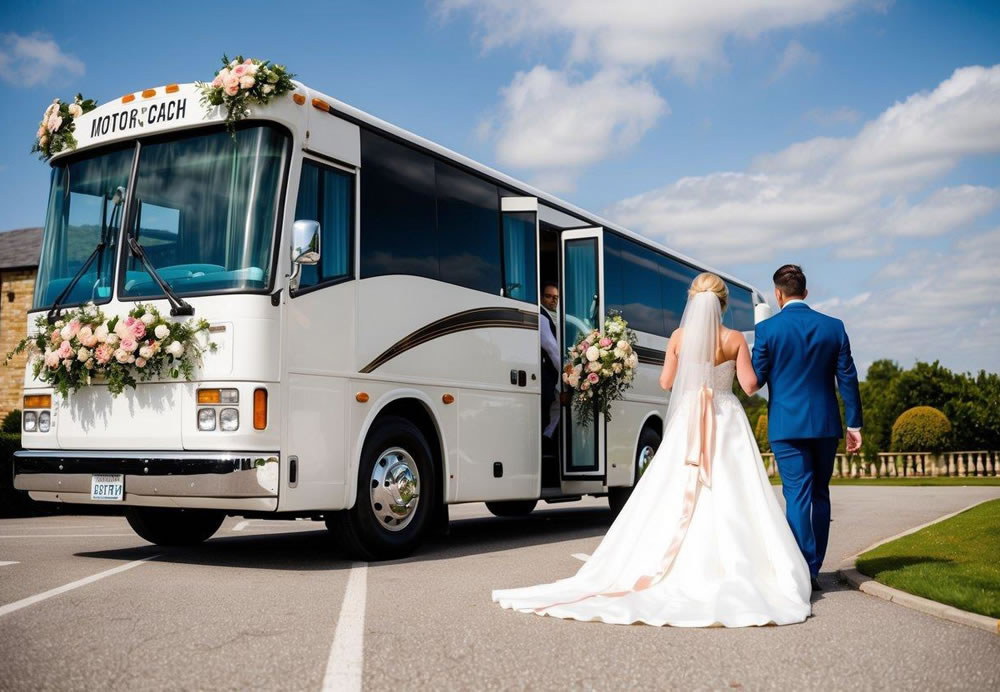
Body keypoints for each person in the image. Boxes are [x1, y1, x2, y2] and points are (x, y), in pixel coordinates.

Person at [492, 273, 812, 627]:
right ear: (722, 304)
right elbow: (750, 386)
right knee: (732, 488)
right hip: (724, 418)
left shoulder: (678, 337)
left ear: (692, 303)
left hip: (690, 418)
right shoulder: (734, 339)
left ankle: (663, 561)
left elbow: (666, 382)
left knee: (673, 487)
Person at [752, 264, 862, 590]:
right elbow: (848, 379)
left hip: (786, 426)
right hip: (826, 424)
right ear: (806, 292)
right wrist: (854, 424)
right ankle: (813, 568)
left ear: (777, 293)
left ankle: (802, 571)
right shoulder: (834, 327)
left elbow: (755, 380)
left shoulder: (767, 330)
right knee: (820, 494)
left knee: (797, 496)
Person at [539, 282, 561, 440]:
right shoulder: (542, 316)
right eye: (548, 296)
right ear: (540, 297)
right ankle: (547, 439)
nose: (553, 300)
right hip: (545, 375)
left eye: (556, 297)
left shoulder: (556, 317)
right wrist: (567, 373)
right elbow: (552, 348)